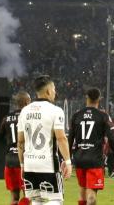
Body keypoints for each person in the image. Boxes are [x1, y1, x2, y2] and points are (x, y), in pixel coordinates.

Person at [17, 76, 72, 205]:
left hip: (30, 165)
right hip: (48, 166)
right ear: (48, 91)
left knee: (36, 201)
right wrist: (68, 161)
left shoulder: (24, 111)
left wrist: (22, 165)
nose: (55, 92)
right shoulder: (55, 111)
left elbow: (20, 142)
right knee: (55, 200)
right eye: (53, 89)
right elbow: (61, 138)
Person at [69, 88, 114, 205]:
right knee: (91, 195)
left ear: (86, 97)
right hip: (95, 159)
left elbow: (70, 139)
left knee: (82, 190)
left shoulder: (76, 115)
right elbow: (111, 138)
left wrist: (67, 158)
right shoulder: (102, 116)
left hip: (79, 158)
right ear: (99, 99)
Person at [0, 92, 32, 205]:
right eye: (30, 101)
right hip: (24, 160)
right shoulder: (29, 117)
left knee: (14, 198)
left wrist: (10, 147)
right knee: (28, 196)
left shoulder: (6, 118)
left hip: (10, 161)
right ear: (27, 102)